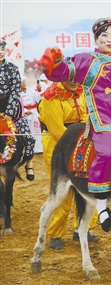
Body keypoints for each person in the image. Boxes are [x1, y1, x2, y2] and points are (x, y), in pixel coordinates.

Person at [38, 17, 111, 232]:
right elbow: (64, 71)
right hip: (103, 118)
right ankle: (101, 206)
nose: (110, 40)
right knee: (107, 154)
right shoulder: (86, 60)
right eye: (105, 36)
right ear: (96, 39)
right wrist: (54, 60)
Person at [39, 80, 99, 249]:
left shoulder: (82, 93)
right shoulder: (50, 98)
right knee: (62, 193)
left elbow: (88, 119)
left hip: (82, 146)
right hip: (59, 149)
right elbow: (57, 129)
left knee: (87, 190)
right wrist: (79, 145)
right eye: (69, 77)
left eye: (76, 76)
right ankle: (55, 234)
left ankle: (82, 229)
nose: (74, 81)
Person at [0, 40, 36, 180]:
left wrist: (9, 114)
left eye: (2, 49)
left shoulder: (13, 68)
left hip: (12, 108)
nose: (0, 52)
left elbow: (15, 92)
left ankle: (29, 163)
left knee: (28, 137)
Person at [20, 76, 43, 153]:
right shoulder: (16, 92)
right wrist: (25, 110)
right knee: (25, 132)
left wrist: (39, 89)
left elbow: (38, 97)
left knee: (36, 131)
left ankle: (37, 149)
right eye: (22, 82)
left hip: (33, 113)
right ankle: (26, 149)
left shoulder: (31, 90)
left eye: (24, 81)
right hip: (23, 115)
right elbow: (17, 104)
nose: (24, 83)